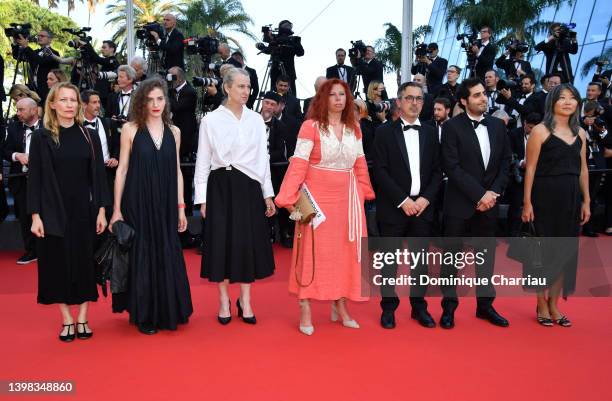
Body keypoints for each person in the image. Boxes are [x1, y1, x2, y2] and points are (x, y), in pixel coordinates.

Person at [274, 78, 375, 336]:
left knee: (345, 255)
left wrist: (363, 194)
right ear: (323, 98)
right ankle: (305, 306)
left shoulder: (355, 128)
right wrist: (289, 198)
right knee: (311, 252)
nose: (339, 99)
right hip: (316, 200)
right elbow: (298, 164)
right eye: (333, 95)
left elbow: (360, 164)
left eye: (342, 94)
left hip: (347, 201)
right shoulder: (310, 127)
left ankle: (340, 306)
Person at [27, 82, 110, 341]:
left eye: (73, 100)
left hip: (84, 211)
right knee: (56, 265)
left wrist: (101, 211)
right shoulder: (41, 137)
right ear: (52, 104)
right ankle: (66, 319)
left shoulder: (89, 135)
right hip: (52, 211)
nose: (69, 105)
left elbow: (98, 177)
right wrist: (35, 215)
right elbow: (35, 179)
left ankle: (83, 317)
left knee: (85, 263)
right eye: (63, 100)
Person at [110, 78, 193, 334]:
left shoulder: (175, 132)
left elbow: (177, 171)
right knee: (143, 254)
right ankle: (144, 314)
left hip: (167, 203)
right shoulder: (131, 129)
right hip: (138, 202)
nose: (156, 104)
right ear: (141, 102)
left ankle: (169, 310)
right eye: (150, 99)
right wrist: (117, 209)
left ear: (166, 101)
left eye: (160, 99)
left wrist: (181, 207)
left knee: (167, 251)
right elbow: (122, 171)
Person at [194, 68, 276, 326]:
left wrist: (268, 194)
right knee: (221, 243)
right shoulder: (210, 120)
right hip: (220, 187)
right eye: (241, 86)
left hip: (249, 187)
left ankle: (246, 301)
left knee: (245, 244)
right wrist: (202, 198)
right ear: (226, 88)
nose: (246, 91)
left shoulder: (255, 120)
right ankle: (223, 300)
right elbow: (203, 161)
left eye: (248, 86)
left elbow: (264, 160)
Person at [440, 77, 512, 329]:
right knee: (451, 259)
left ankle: (485, 306)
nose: (484, 98)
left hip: (489, 204)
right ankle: (448, 308)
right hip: (459, 204)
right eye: (477, 95)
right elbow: (452, 166)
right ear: (464, 100)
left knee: (486, 258)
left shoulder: (497, 126)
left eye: (484, 93)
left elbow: (505, 163)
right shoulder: (451, 127)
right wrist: (480, 195)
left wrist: (492, 193)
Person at [374, 82, 442, 329]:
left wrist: (425, 199)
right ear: (399, 102)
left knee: (420, 261)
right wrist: (403, 201)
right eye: (409, 98)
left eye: (419, 99)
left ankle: (418, 307)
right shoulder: (383, 132)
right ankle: (389, 308)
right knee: (389, 261)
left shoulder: (431, 133)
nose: (415, 103)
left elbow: (437, 171)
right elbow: (379, 171)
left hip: (423, 208)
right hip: (394, 207)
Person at [521, 84, 590, 327]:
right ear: (552, 102)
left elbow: (582, 169)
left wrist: (587, 201)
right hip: (544, 198)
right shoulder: (540, 131)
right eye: (562, 98)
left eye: (572, 98)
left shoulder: (580, 133)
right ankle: (541, 302)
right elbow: (530, 168)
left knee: (564, 253)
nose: (568, 102)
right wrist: (527, 202)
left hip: (571, 199)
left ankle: (554, 304)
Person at [3, 98, 42, 264]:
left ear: (33, 110)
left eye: (21, 110)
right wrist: (17, 156)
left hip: (45, 181)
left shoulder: (48, 127)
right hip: (21, 180)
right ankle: (31, 251)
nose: (17, 113)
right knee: (25, 218)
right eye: (17, 110)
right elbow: (5, 150)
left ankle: (48, 250)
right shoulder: (13, 128)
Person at [261, 91, 292, 247]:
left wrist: (264, 157)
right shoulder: (250, 120)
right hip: (251, 171)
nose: (269, 106)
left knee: (274, 202)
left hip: (272, 172)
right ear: (262, 103)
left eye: (273, 104)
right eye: (267, 103)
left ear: (277, 107)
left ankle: (277, 232)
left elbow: (280, 151)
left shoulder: (280, 126)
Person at [168, 67, 198, 216]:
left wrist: (166, 91)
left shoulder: (190, 92)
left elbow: (177, 107)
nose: (169, 79)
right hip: (172, 136)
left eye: (171, 77)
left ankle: (187, 210)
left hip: (186, 140)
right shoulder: (172, 92)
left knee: (185, 175)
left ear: (178, 78)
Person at [507, 112, 542, 236]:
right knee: (516, 205)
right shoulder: (513, 134)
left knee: (536, 204)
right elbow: (508, 153)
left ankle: (531, 232)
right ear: (524, 123)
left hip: (537, 176)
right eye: (530, 127)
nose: (532, 130)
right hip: (518, 175)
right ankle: (512, 234)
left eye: (535, 128)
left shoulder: (542, 135)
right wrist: (521, 162)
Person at [81, 90, 119, 199]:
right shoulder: (76, 125)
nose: (98, 105)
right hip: (85, 174)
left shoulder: (108, 123)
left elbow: (116, 145)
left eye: (99, 102)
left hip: (106, 172)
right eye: (94, 102)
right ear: (84, 104)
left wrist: (115, 158)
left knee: (108, 205)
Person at [256, 20, 304, 94]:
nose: (288, 27)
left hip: (289, 74)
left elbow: (300, 53)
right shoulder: (275, 39)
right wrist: (262, 47)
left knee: (291, 99)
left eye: (289, 26)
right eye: (285, 26)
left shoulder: (293, 40)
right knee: (274, 96)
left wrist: (293, 44)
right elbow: (269, 50)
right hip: (276, 73)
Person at [12, 29, 60, 101]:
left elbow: (40, 61)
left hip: (47, 90)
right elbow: (17, 57)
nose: (39, 37)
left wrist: (26, 46)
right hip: (33, 91)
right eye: (38, 36)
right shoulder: (36, 52)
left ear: (50, 39)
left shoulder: (54, 53)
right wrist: (16, 43)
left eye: (42, 36)